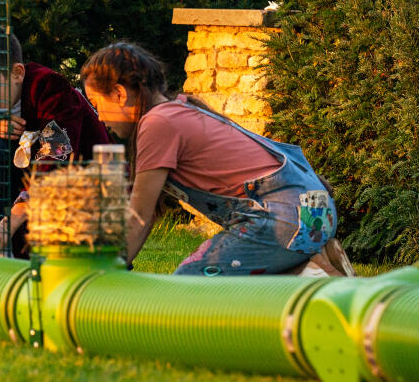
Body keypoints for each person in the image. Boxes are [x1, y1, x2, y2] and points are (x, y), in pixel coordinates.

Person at [80, 41, 350, 276]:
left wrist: (103, 272)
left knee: (190, 288)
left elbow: (138, 214)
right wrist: (119, 263)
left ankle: (314, 280)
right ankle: (308, 276)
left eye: (96, 103)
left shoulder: (157, 123)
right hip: (313, 213)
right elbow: (148, 215)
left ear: (119, 93)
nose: (99, 116)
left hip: (282, 219)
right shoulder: (180, 109)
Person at [0, 25, 110, 257]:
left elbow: (56, 156)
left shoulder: (50, 88)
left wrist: (12, 220)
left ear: (17, 73)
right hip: (30, 186)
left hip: (82, 179)